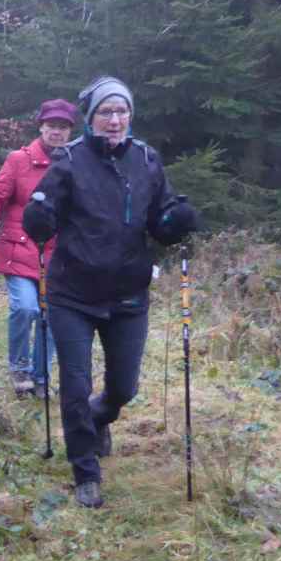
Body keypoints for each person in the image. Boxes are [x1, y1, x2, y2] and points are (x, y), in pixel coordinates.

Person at [23, 76, 200, 509]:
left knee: (124, 388)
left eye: (122, 112)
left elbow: (159, 222)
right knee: (75, 384)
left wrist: (176, 220)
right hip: (72, 294)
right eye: (106, 112)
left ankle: (99, 417)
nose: (115, 120)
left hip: (128, 295)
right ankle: (86, 471)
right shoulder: (69, 161)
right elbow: (42, 217)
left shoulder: (146, 159)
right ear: (91, 118)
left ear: (130, 116)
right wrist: (38, 216)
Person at [0, 98, 77, 397]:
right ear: (41, 127)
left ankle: (41, 376)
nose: (56, 132)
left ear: (70, 131)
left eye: (62, 127)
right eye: (51, 126)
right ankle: (19, 367)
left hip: (58, 256)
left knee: (52, 317)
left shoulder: (76, 163)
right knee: (26, 308)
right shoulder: (19, 160)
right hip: (19, 249)